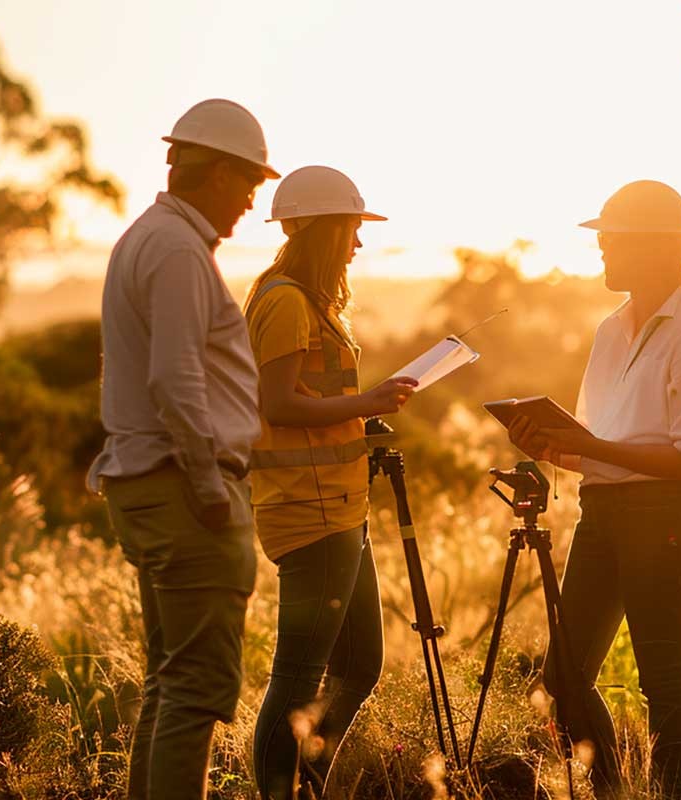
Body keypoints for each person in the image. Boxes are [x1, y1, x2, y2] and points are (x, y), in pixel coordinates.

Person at [508, 180, 681, 800]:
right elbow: (601, 443)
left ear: (656, 249)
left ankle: (666, 795)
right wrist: (549, 447)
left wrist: (595, 450)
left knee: (663, 682)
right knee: (562, 677)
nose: (602, 250)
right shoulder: (612, 329)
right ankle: (614, 787)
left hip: (660, 520)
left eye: (611, 240)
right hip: (602, 516)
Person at [86, 98, 278, 800]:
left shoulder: (149, 238)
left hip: (149, 480)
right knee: (197, 687)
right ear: (219, 174)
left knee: (171, 679)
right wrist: (207, 485)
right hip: (183, 488)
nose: (252, 201)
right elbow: (173, 376)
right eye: (250, 184)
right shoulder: (176, 250)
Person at [243, 165, 417, 799]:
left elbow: (313, 400)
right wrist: (365, 402)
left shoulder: (307, 302)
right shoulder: (286, 300)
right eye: (352, 229)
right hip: (308, 513)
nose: (359, 244)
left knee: (358, 665)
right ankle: (275, 791)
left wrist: (364, 412)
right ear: (324, 230)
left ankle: (305, 781)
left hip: (341, 507)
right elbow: (281, 405)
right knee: (297, 676)